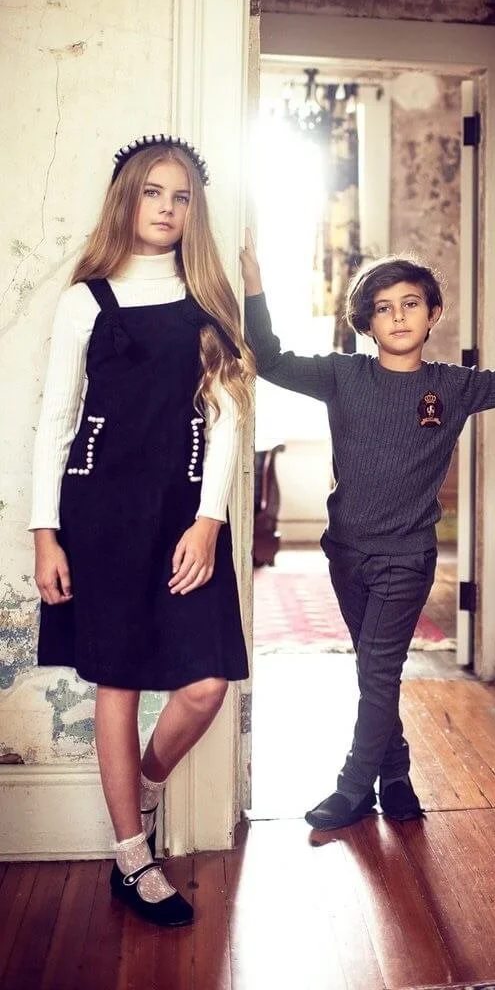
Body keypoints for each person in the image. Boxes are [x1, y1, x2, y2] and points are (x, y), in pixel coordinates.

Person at [240, 232, 495, 830]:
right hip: (346, 551)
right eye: (383, 307)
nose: (398, 315)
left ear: (433, 314)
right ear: (367, 322)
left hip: (407, 556)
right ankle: (395, 775)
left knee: (378, 668)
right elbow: (267, 358)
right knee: (374, 669)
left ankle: (353, 788)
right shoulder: (341, 376)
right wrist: (255, 286)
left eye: (410, 303)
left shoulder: (453, 386)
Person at [31, 136, 253, 926]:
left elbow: (225, 420)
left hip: (183, 519)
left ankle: (147, 784)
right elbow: (56, 421)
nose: (166, 207)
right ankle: (132, 854)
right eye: (152, 192)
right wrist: (43, 532)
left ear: (194, 211)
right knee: (117, 682)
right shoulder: (86, 298)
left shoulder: (208, 303)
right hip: (101, 519)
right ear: (127, 199)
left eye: (181, 196)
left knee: (205, 686)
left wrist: (208, 519)